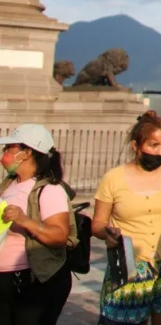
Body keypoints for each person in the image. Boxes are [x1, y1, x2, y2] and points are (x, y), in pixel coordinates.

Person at [91, 111, 161, 325]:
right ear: (136, 146)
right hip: (130, 267)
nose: (160, 152)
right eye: (153, 145)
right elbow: (97, 223)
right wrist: (106, 232)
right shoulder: (113, 178)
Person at [0, 124, 74, 325]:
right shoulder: (9, 183)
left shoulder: (50, 190)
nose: (4, 153)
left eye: (9, 148)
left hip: (31, 282)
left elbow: (59, 235)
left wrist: (24, 220)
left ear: (26, 153)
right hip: (5, 280)